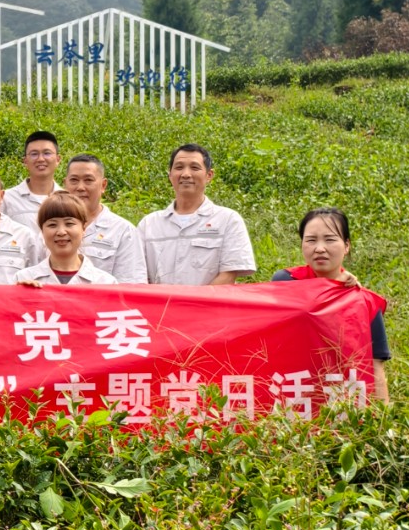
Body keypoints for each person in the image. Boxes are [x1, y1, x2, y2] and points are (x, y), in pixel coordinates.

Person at [271, 207, 391, 401]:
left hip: (340, 399)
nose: (320, 248)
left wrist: (384, 415)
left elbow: (376, 365)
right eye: (311, 240)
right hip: (294, 392)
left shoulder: (364, 302)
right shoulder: (285, 282)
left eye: (329, 239)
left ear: (346, 246)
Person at [137, 144, 255, 285]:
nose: (186, 174)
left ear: (209, 175)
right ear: (170, 175)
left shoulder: (228, 220)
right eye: (179, 167)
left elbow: (228, 276)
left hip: (210, 300)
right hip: (158, 300)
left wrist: (194, 300)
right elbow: (138, 274)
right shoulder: (149, 224)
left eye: (194, 168)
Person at [62, 154, 148, 284]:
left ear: (103, 185)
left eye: (88, 180)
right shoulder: (50, 228)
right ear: (65, 184)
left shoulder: (123, 231)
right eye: (74, 180)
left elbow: (132, 285)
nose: (80, 187)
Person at [12, 193, 119, 285]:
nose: (61, 232)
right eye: (52, 225)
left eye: (69, 224)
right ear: (42, 231)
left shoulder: (106, 283)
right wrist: (20, 294)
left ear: (83, 228)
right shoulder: (23, 278)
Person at [2, 131, 65, 230]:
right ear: (25, 161)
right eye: (34, 154)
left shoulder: (68, 199)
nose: (40, 159)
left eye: (47, 153)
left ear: (58, 159)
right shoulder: (6, 199)